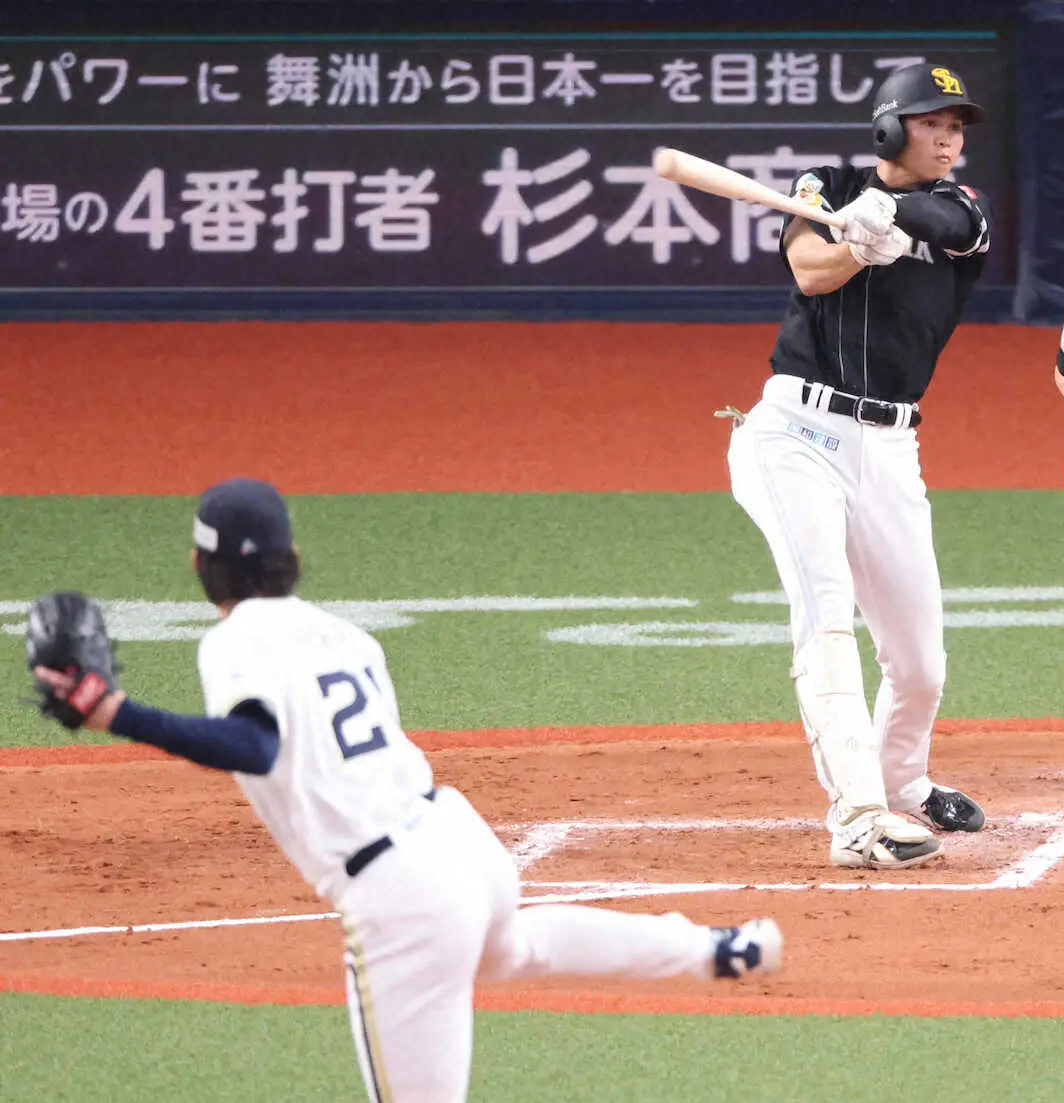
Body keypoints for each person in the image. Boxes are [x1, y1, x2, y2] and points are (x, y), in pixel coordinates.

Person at [25, 476, 783, 1103]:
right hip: (463, 845)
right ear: (292, 558)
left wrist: (116, 712)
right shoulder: (348, 635)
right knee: (517, 947)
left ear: (202, 567)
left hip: (402, 898)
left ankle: (710, 949)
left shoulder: (233, 640)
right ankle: (715, 948)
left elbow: (256, 745)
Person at [724, 62, 990, 871]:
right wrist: (857, 244)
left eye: (956, 126)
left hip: (891, 448)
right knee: (827, 617)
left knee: (919, 662)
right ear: (889, 127)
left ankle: (903, 780)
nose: (947, 138)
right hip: (795, 434)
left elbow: (947, 221)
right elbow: (811, 270)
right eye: (931, 122)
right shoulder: (827, 186)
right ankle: (860, 818)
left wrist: (890, 215)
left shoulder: (964, 211)